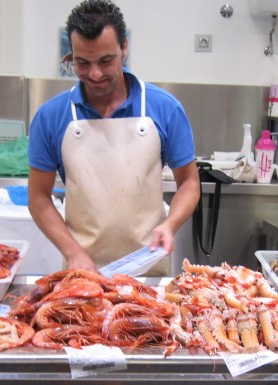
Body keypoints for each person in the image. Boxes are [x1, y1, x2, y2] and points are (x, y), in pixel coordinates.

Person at [27, 0, 200, 275]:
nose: (94, 74)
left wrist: (170, 225)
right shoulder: (51, 117)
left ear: (124, 48)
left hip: (149, 270)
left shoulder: (164, 108)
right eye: (82, 62)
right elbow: (38, 197)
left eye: (106, 61)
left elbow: (189, 182)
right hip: (83, 274)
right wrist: (72, 252)